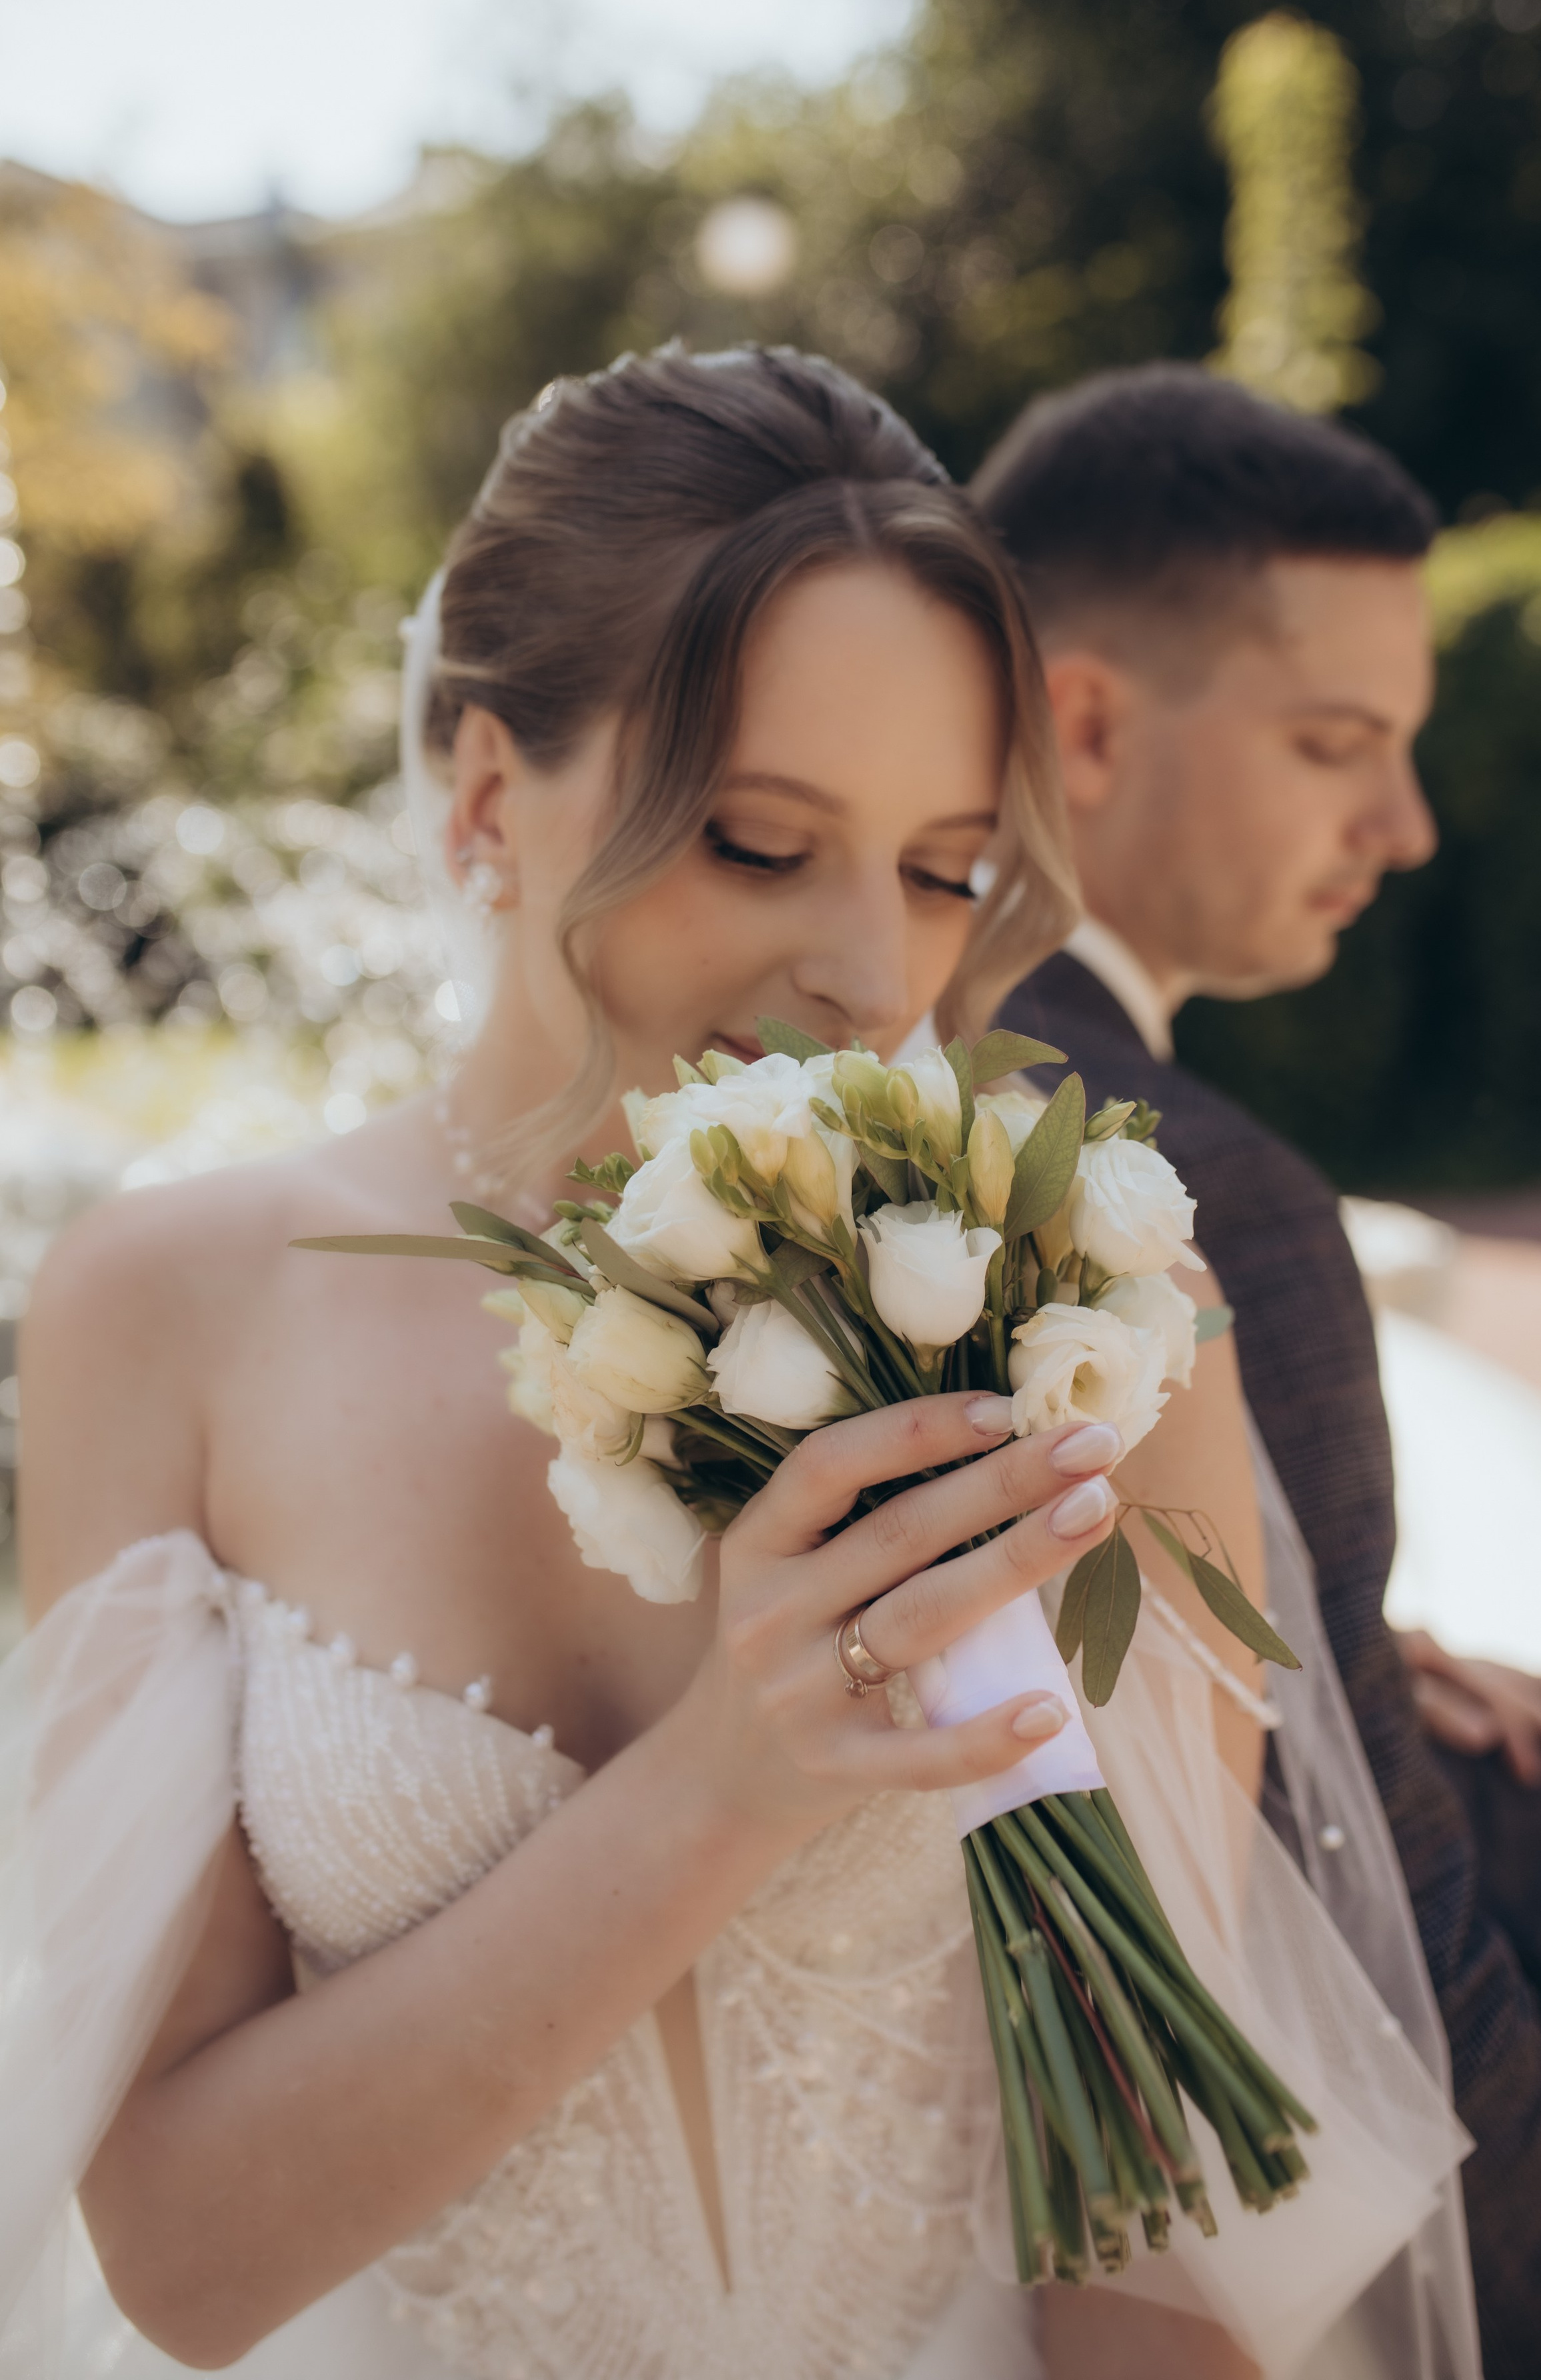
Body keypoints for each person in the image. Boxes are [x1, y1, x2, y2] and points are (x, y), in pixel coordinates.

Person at [5, 347, 1463, 2380]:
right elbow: (175, 2252)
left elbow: (1151, 2230)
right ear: (495, 796)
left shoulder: (1087, 1330)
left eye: (946, 867)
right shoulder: (164, 1314)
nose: (874, 974)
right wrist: (721, 1786)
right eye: (762, 846)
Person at [980, 361, 1541, 2378]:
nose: (1405, 825)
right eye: (1337, 745)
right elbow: (1383, 1919)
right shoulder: (1205, 1195)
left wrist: (1352, 1634)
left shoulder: (891, 1085)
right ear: (1092, 724)